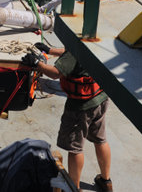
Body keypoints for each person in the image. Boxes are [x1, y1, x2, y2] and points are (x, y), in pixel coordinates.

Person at [23, 43, 113, 192]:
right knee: (100, 139)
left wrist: (36, 63)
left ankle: (74, 188)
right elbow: (71, 52)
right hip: (100, 98)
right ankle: (106, 181)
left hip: (80, 107)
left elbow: (55, 73)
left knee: (75, 147)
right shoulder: (94, 43)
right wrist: (50, 51)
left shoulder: (74, 53)